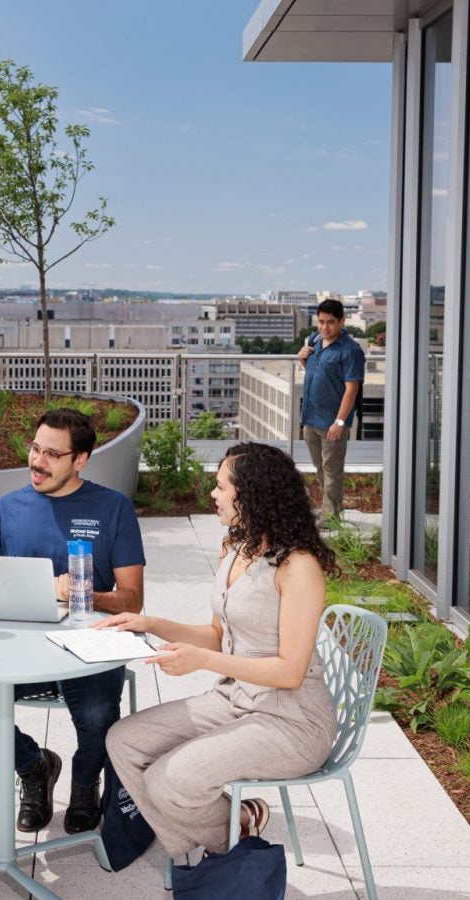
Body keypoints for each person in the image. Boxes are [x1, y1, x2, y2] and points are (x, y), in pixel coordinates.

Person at [99, 441, 340, 860]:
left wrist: (203, 663)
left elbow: (290, 673)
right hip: (235, 699)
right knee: (123, 740)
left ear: (252, 495)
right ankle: (230, 833)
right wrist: (149, 623)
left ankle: (225, 854)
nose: (213, 494)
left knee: (168, 781)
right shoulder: (236, 549)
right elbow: (217, 635)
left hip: (293, 722)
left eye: (221, 486)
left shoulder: (298, 566)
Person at [0, 407, 145, 834]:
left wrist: (81, 594)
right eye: (35, 448)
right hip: (22, 650)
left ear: (80, 461)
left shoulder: (113, 509)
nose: (38, 461)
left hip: (89, 646)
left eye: (52, 454)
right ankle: (35, 767)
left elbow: (133, 598)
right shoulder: (6, 509)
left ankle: (83, 782)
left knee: (96, 715)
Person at [297, 298, 365, 520]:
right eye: (321, 321)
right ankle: (330, 509)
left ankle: (331, 518)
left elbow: (351, 388)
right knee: (320, 468)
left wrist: (340, 421)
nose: (325, 327)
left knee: (332, 471)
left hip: (331, 421)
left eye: (331, 322)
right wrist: (302, 359)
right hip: (310, 418)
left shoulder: (350, 350)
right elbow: (320, 373)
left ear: (342, 321)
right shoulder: (316, 340)